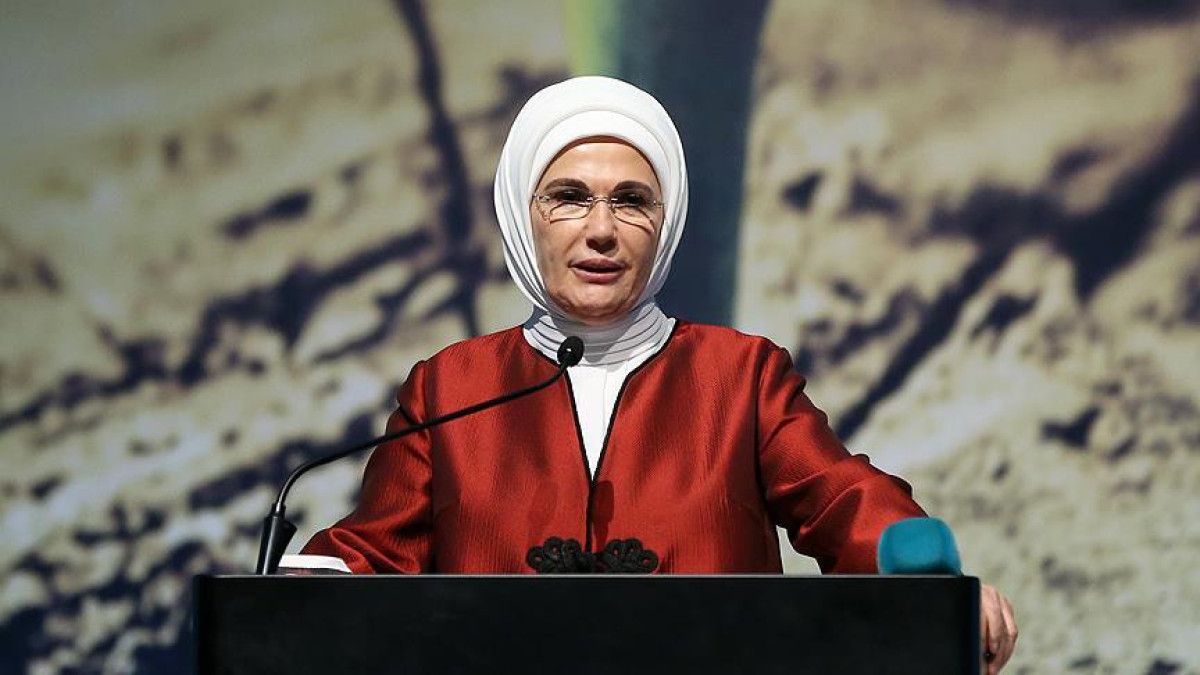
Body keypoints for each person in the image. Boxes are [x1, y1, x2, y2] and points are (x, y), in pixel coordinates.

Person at [301, 76, 1017, 671]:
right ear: (523, 215)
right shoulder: (449, 388)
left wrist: (938, 590)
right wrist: (299, 589)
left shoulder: (741, 376)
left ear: (666, 222)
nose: (601, 229)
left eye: (632, 200)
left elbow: (842, 500)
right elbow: (368, 555)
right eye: (569, 197)